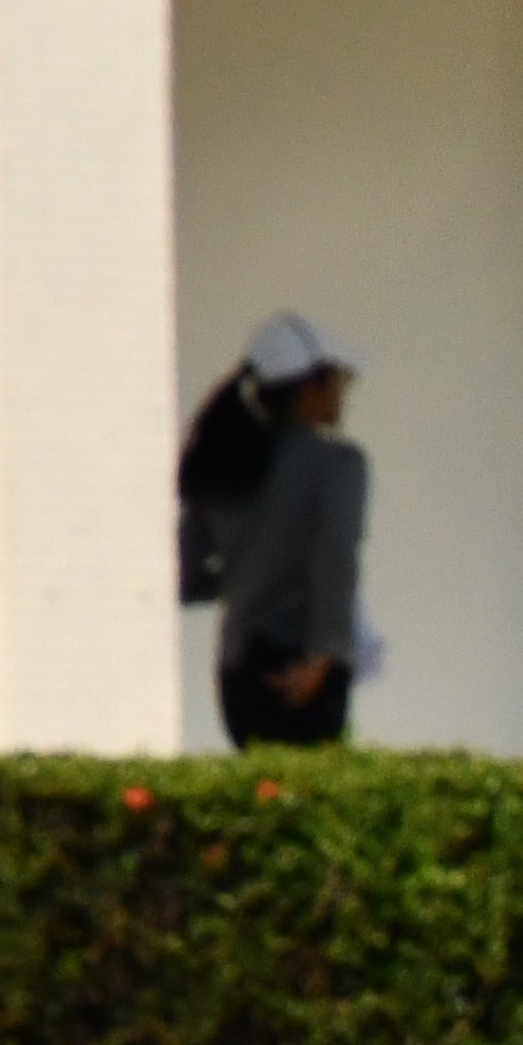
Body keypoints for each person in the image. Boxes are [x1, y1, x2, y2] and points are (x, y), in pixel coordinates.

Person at [199, 312, 371, 751]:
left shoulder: (222, 467)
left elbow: (188, 576)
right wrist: (324, 653)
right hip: (302, 668)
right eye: (334, 382)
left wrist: (246, 577)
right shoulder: (338, 465)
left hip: (235, 669)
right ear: (310, 388)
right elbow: (335, 558)